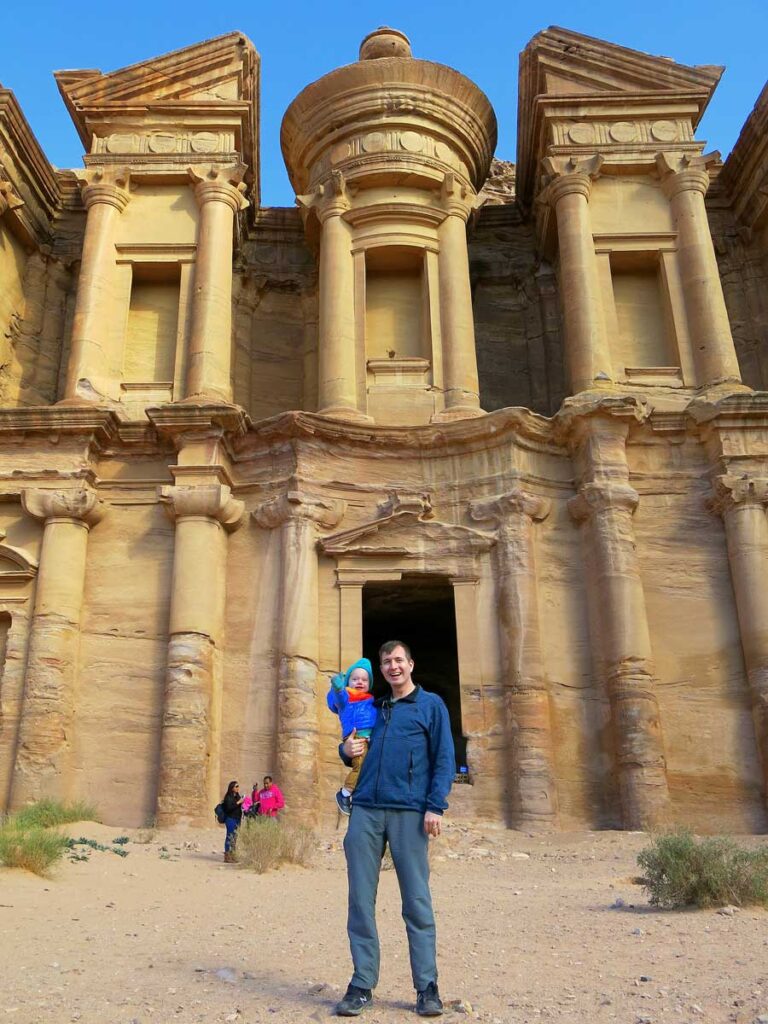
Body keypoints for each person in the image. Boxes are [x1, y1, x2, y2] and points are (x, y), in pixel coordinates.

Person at [335, 640, 454, 1018]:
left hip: (409, 811)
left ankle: (427, 987)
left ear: (411, 664)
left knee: (416, 901)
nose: (392, 666)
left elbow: (444, 759)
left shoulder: (430, 705)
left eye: (398, 660)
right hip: (366, 810)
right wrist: (345, 750)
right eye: (386, 662)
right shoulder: (374, 706)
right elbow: (353, 745)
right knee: (359, 900)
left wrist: (435, 805)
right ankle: (362, 983)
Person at [327, 658, 378, 815]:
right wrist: (338, 688)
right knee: (361, 765)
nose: (360, 682)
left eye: (364, 679)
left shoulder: (369, 700)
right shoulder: (347, 698)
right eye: (355, 679)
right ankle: (345, 793)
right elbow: (340, 698)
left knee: (369, 766)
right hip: (355, 737)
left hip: (367, 737)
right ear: (348, 682)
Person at [220, 780, 243, 863]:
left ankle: (233, 856)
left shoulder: (237, 796)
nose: (238, 788)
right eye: (236, 786)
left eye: (238, 786)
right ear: (232, 788)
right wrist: (238, 803)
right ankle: (227, 857)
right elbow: (229, 808)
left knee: (235, 838)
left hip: (237, 819)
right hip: (230, 819)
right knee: (229, 837)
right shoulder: (228, 797)